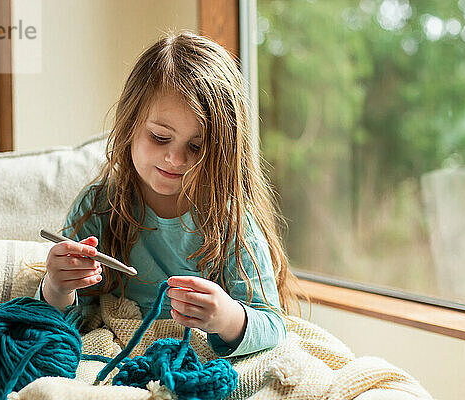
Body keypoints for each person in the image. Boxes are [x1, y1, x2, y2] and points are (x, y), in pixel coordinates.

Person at [35, 31, 302, 357]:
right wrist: (58, 285)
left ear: (221, 152)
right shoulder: (99, 207)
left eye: (196, 146)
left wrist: (227, 317)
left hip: (198, 358)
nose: (175, 159)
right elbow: (64, 323)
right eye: (160, 137)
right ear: (130, 123)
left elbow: (272, 325)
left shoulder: (229, 221)